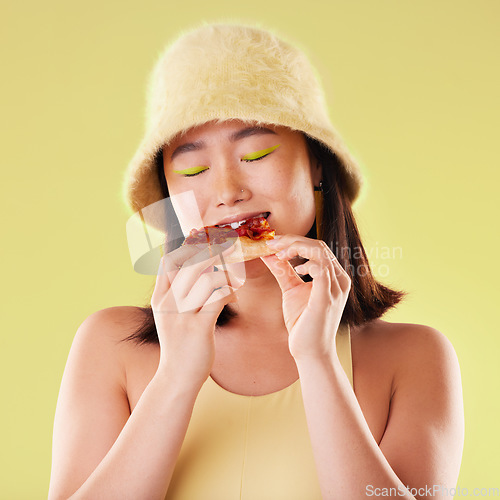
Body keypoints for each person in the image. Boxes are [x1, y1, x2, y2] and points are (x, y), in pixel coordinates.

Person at [48, 23, 464, 500]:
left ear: (317, 170)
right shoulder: (110, 345)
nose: (228, 192)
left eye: (257, 152)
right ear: (169, 199)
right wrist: (177, 377)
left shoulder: (415, 357)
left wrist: (318, 359)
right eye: (192, 169)